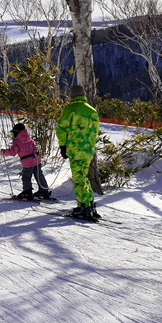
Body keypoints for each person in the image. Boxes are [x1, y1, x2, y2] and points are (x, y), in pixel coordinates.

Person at [56, 85, 101, 221]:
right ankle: (89, 202)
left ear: (72, 96)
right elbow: (95, 132)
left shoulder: (70, 110)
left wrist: (63, 146)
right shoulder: (92, 111)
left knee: (78, 178)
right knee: (83, 176)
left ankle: (84, 207)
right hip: (88, 150)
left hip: (75, 150)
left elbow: (61, 129)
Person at [0, 123, 52, 200]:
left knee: (26, 176)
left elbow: (13, 152)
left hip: (28, 162)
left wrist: (3, 152)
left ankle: (27, 192)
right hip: (36, 160)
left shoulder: (17, 141)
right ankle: (44, 190)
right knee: (39, 175)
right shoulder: (30, 139)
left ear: (16, 132)